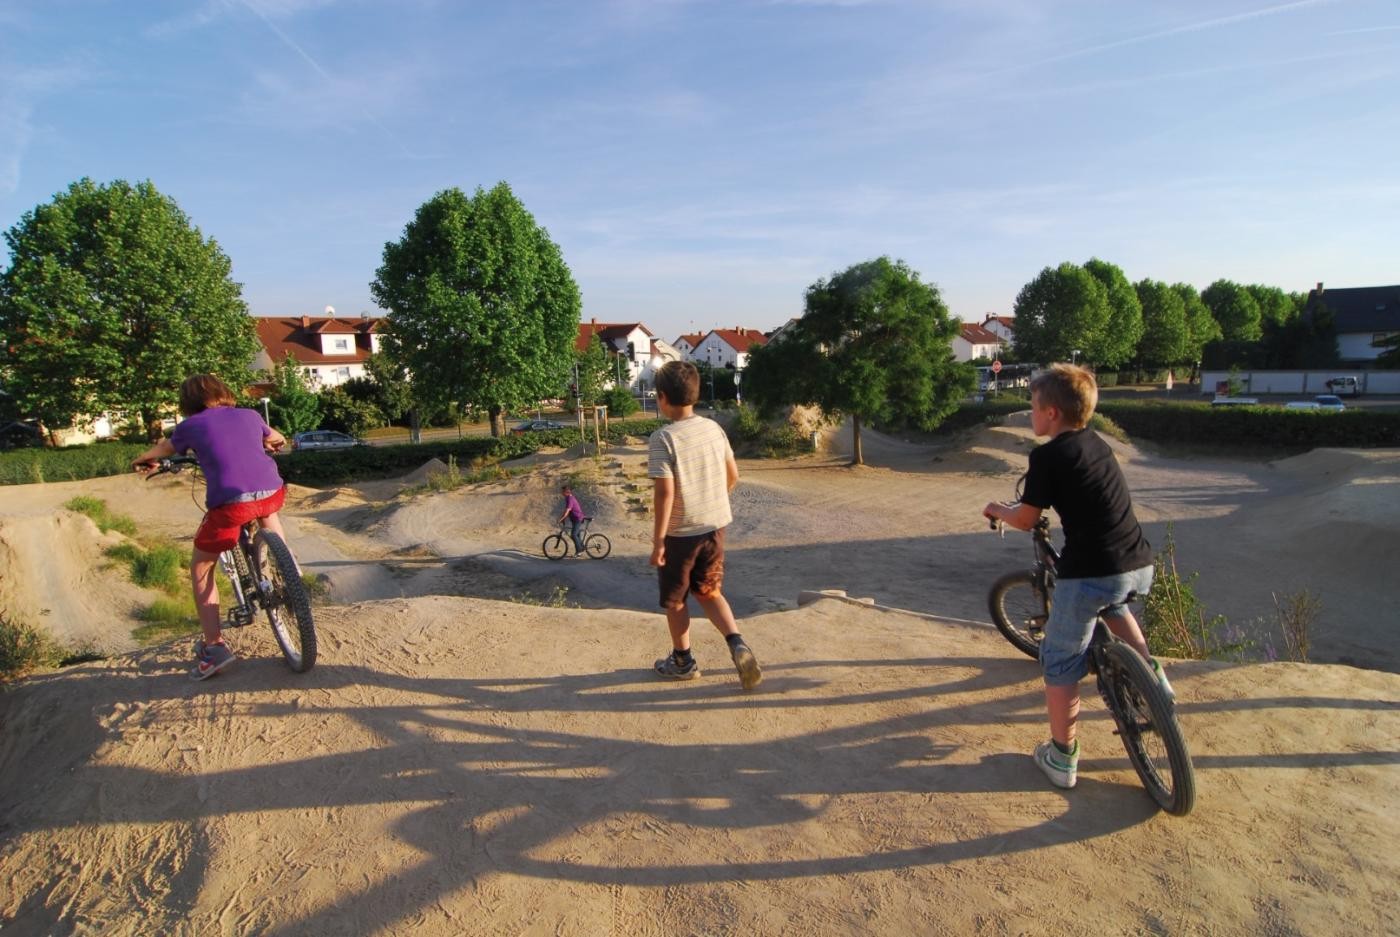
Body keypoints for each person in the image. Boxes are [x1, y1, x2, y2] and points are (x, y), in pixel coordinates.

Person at [982, 363, 1172, 791]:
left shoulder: (1047, 455)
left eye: (1032, 406)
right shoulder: (1096, 443)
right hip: (1137, 563)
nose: (1030, 413)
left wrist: (997, 509)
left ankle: (1061, 757)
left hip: (1091, 572)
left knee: (1059, 660)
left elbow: (1028, 519)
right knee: (1117, 603)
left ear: (1051, 413)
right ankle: (1156, 685)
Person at [133, 374, 289, 681]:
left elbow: (165, 448)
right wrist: (268, 442)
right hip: (273, 491)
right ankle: (287, 571)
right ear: (224, 393)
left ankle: (215, 648)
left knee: (201, 567)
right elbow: (277, 436)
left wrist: (143, 459)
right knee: (266, 512)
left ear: (188, 403)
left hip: (231, 504)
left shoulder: (189, 426)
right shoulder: (250, 415)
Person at [648, 360, 761, 690]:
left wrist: (658, 542)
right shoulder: (714, 428)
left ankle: (682, 661)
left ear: (663, 397)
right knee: (709, 591)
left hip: (681, 533)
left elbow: (665, 493)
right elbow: (734, 475)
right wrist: (713, 498)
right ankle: (737, 643)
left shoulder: (663, 438)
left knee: (677, 600)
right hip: (715, 528)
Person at [557, 483, 587, 557]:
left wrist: (561, 519)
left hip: (578, 518)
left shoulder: (570, 499)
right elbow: (567, 511)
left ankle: (579, 550)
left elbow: (567, 510)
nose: (561, 493)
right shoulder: (567, 498)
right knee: (577, 535)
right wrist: (563, 518)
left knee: (573, 535)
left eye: (562, 492)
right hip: (574, 519)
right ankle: (580, 549)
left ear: (566, 492)